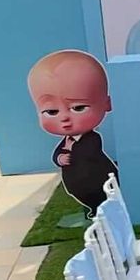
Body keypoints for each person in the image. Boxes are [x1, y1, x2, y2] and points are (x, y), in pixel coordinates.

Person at [27, 50, 118, 217]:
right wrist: (59, 158)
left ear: (107, 104)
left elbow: (89, 153)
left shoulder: (92, 138)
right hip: (76, 180)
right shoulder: (67, 141)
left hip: (95, 179)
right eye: (52, 111)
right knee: (84, 194)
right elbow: (58, 154)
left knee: (101, 194)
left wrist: (70, 152)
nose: (65, 118)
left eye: (78, 108)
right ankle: (93, 207)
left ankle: (101, 208)